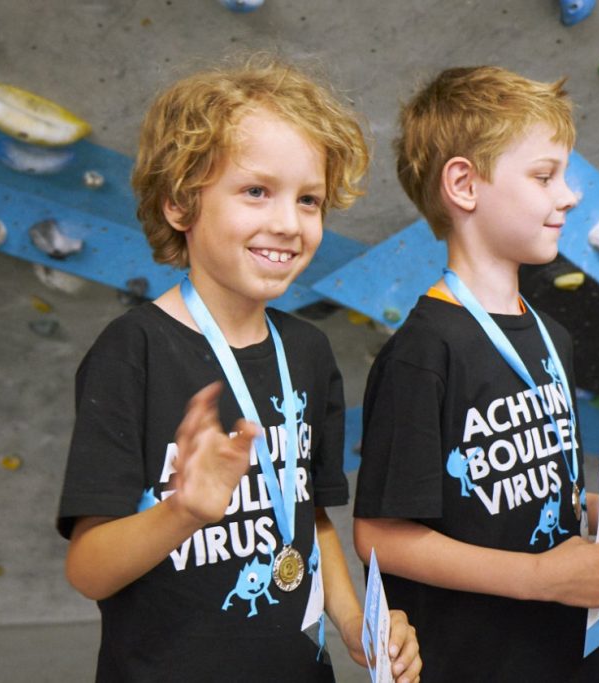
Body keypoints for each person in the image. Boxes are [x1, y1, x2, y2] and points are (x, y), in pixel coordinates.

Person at [56, 56, 421, 683]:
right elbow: (88, 568)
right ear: (179, 205)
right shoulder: (131, 351)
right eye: (256, 190)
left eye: (309, 200)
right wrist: (183, 512)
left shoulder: (307, 351)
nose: (287, 222)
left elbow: (310, 519)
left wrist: (357, 619)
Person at [352, 65, 599, 683]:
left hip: (569, 657)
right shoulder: (424, 353)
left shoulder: (552, 337)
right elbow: (378, 535)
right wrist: (538, 578)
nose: (569, 195)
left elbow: (513, 492)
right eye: (544, 175)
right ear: (464, 185)